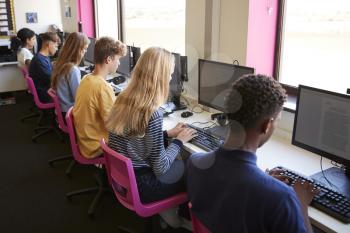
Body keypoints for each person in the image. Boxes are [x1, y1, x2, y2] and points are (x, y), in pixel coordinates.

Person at [187, 74, 317, 233]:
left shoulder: (195, 163)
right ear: (266, 125)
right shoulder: (282, 198)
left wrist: (263, 181)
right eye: (277, 120)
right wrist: (301, 205)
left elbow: (232, 192)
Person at [106, 47, 196, 229]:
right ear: (160, 77)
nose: (171, 78)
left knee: (181, 162)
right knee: (193, 168)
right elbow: (161, 167)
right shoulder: (152, 112)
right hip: (144, 187)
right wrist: (179, 142)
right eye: (169, 74)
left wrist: (166, 134)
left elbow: (134, 140)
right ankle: (180, 220)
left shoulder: (123, 98)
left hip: (125, 182)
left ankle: (167, 213)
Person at [73, 37, 126, 159]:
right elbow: (115, 125)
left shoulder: (86, 79)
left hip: (85, 142)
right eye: (118, 59)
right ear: (108, 60)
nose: (119, 63)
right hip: (96, 147)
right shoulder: (102, 87)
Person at [51, 32, 90, 114]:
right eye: (85, 49)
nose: (85, 52)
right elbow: (78, 98)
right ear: (77, 50)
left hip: (62, 110)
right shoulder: (72, 70)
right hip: (70, 112)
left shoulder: (59, 63)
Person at [29, 32, 59, 103]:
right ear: (49, 44)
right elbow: (52, 80)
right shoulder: (39, 60)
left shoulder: (42, 57)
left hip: (44, 89)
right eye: (56, 46)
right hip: (45, 94)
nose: (57, 49)